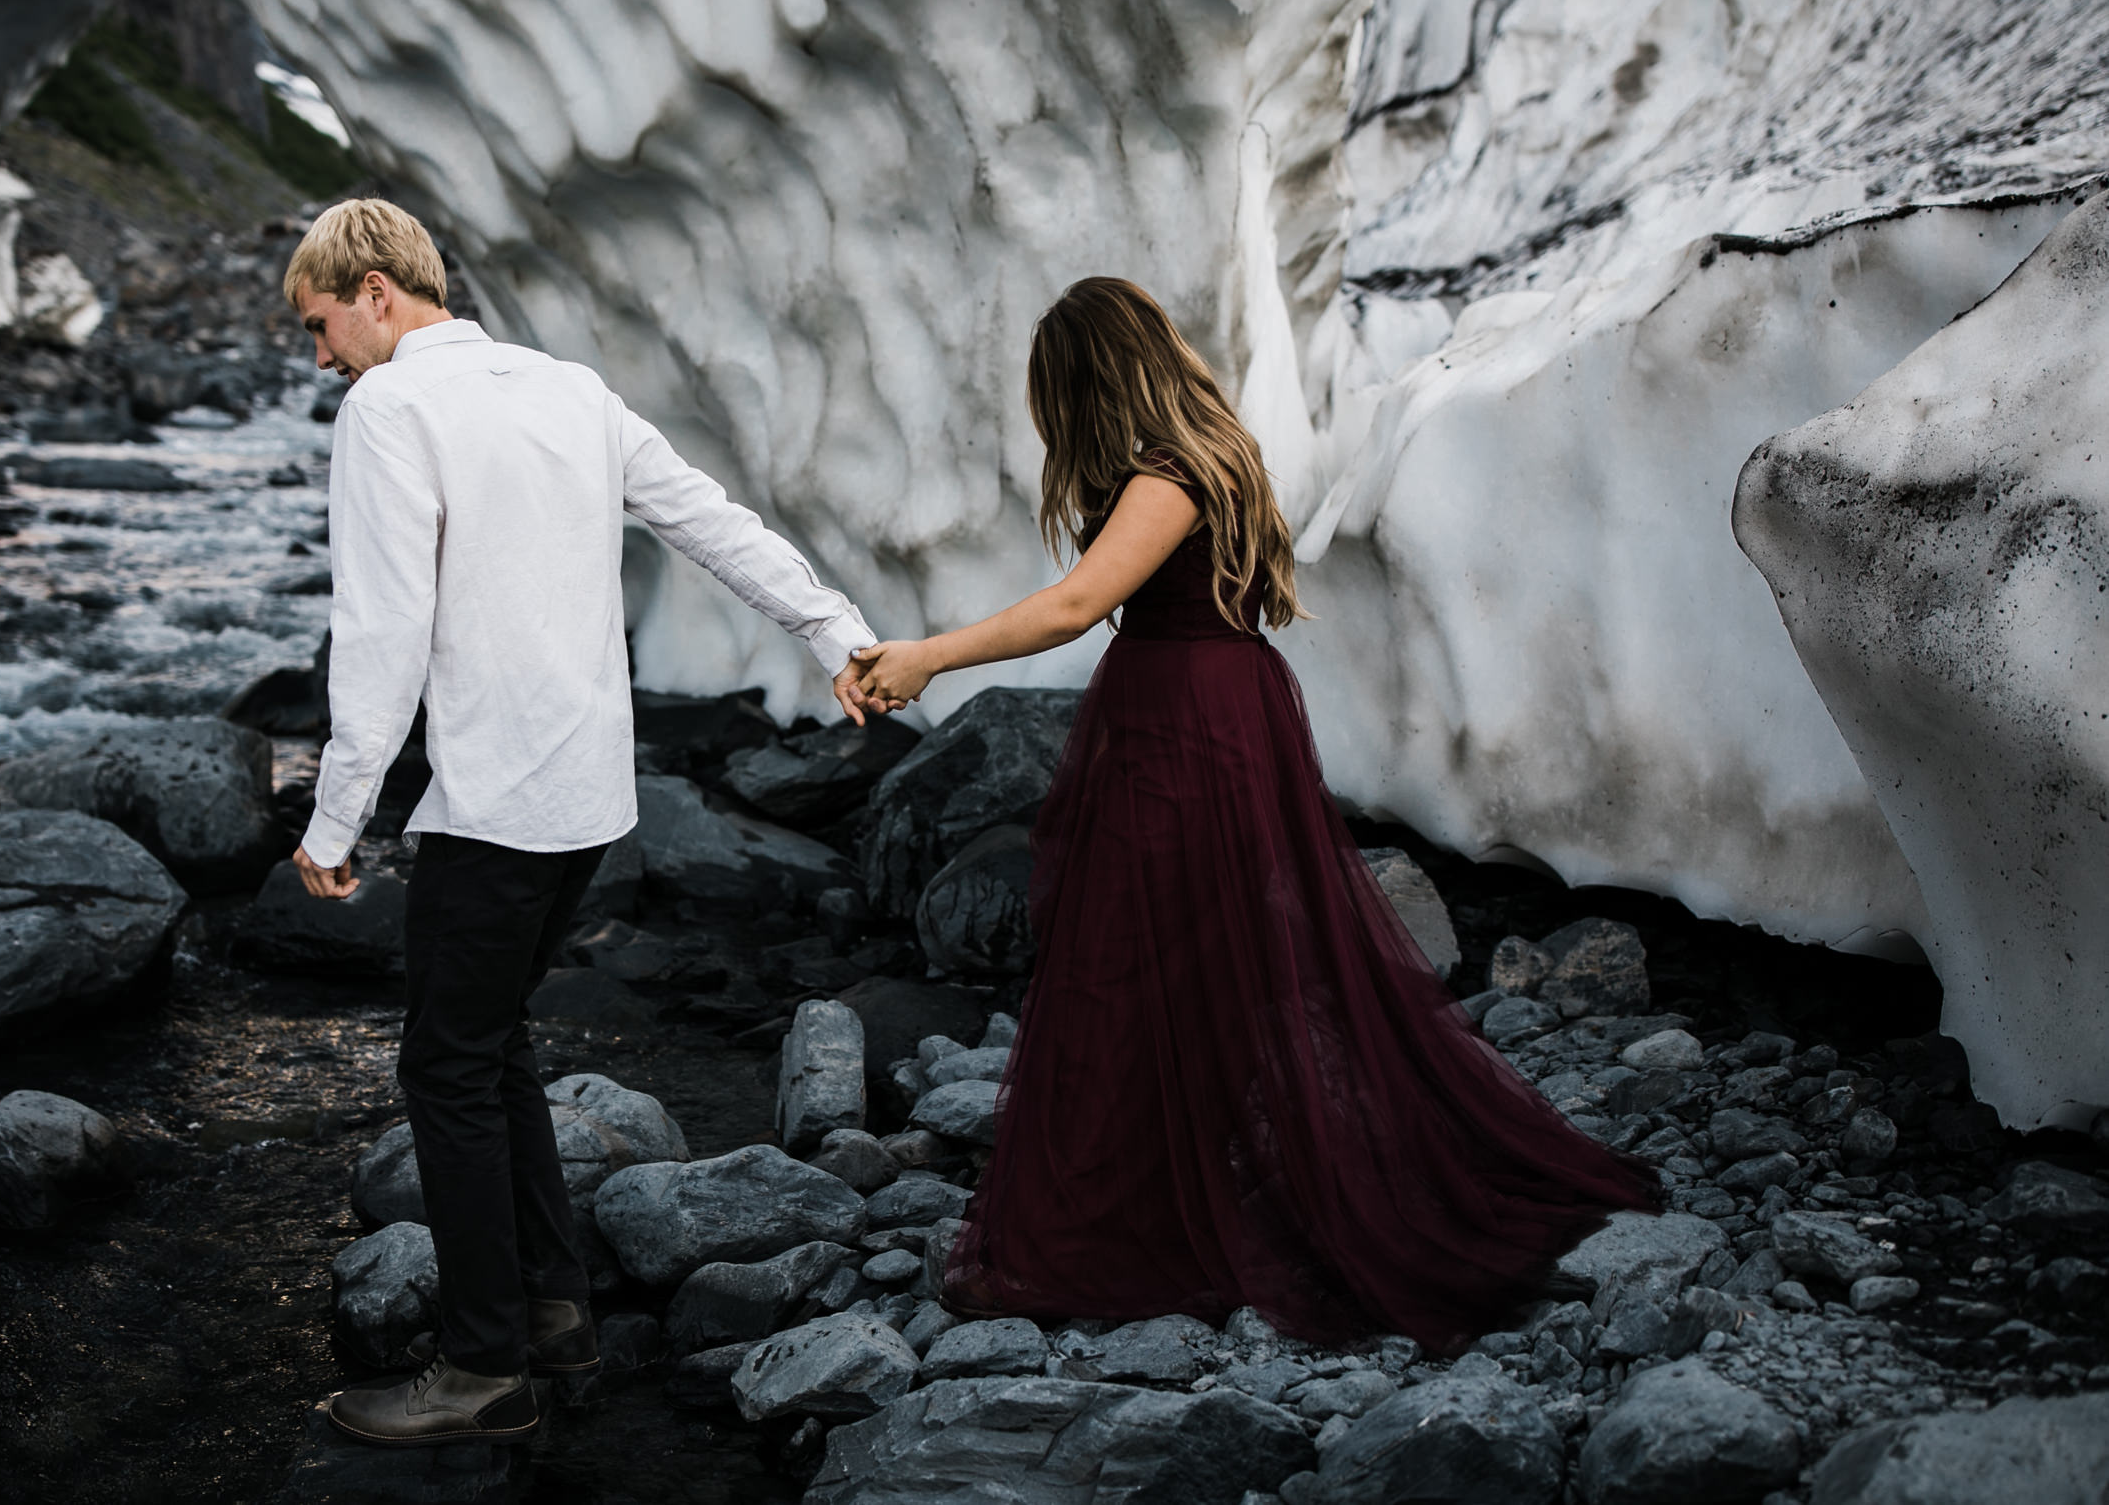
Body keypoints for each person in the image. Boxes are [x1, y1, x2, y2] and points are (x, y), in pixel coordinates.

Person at [850, 276, 1659, 1352]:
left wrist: (926, 656)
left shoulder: (1168, 474)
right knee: (1177, 958)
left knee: (1126, 962)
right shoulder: (1210, 455)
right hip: (1209, 703)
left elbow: (1075, 604)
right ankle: (1178, 1182)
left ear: (1094, 381)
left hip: (1183, 713)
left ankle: (1124, 1222)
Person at [284, 200, 885, 1446]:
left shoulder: (390, 410)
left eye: (322, 323)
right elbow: (710, 523)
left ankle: (481, 1364)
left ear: (378, 290)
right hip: (587, 804)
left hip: (495, 802)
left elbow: (382, 630)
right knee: (493, 1046)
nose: (323, 354)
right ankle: (552, 1312)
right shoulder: (572, 390)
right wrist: (836, 628)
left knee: (446, 1069)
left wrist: (335, 817)